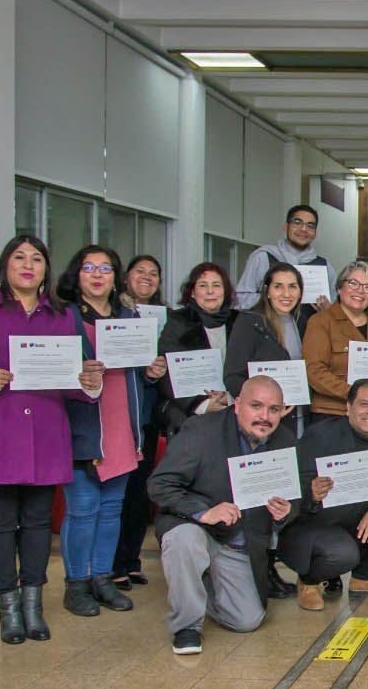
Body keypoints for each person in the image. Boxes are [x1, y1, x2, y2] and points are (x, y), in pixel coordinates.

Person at [0, 235, 104, 644]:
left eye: (37, 259)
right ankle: (8, 608)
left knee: (38, 524)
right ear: (5, 264)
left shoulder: (62, 315)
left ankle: (34, 606)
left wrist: (89, 382)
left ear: (47, 268)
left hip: (46, 433)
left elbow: (72, 379)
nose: (29, 265)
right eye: (19, 257)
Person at [149, 375, 299, 654]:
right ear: (238, 403)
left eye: (274, 410)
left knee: (246, 620)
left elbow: (294, 496)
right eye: (256, 406)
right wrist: (203, 513)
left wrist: (285, 511)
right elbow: (159, 484)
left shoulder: (285, 440)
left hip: (237, 539)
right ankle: (186, 626)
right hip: (195, 527)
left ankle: (199, 584)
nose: (264, 417)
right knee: (185, 541)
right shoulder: (201, 430)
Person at [57, 244, 164, 619]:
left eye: (105, 268)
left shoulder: (127, 317)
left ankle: (103, 578)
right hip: (84, 428)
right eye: (89, 267)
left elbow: (139, 375)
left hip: (122, 427)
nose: (98, 274)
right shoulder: (64, 317)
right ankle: (77, 583)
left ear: (115, 277)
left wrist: (151, 373)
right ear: (78, 273)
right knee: (83, 509)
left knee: (112, 509)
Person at [280, 378, 368, 610]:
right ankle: (308, 580)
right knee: (343, 553)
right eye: (364, 405)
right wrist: (311, 493)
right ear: (348, 407)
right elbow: (291, 487)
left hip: (359, 519)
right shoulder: (319, 435)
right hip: (316, 525)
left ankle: (365, 577)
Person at [112, 253, 166, 591]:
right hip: (120, 416)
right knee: (118, 492)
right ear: (126, 277)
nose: (147, 277)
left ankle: (130, 560)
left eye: (154, 273)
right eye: (140, 271)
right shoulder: (114, 314)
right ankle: (113, 564)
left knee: (138, 494)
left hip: (148, 416)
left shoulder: (163, 318)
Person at [224, 261, 312, 443]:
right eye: (278, 287)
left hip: (301, 417)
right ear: (267, 291)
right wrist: (266, 408)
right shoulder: (249, 322)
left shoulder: (305, 321)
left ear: (300, 292)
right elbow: (233, 376)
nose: (286, 294)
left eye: (292, 287)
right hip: (264, 423)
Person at [303, 262, 368, 425]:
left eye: (367, 287)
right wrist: (356, 393)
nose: (360, 290)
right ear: (339, 288)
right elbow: (315, 372)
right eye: (353, 283)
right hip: (331, 414)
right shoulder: (320, 322)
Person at [156, 263, 238, 436]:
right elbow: (166, 373)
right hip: (190, 417)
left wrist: (231, 397)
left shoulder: (240, 322)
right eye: (203, 285)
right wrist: (202, 405)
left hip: (235, 412)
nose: (210, 291)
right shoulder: (177, 322)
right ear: (192, 292)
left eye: (216, 285)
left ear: (225, 291)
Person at [235, 205, 335, 311]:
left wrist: (328, 310)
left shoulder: (324, 266)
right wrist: (274, 301)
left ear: (315, 233)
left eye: (310, 226)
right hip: (269, 326)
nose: (304, 229)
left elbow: (337, 305)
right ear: (286, 227)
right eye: (297, 222)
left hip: (310, 327)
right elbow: (242, 298)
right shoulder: (264, 257)